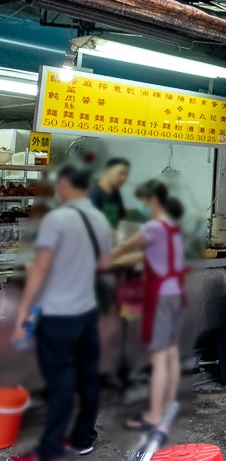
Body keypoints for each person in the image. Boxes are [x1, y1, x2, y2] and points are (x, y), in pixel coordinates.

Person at [13, 164, 111, 461]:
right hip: (88, 312)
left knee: (60, 381)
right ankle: (83, 439)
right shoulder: (100, 220)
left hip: (59, 316)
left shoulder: (57, 219)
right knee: (89, 379)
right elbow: (103, 266)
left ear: (67, 186)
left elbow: (40, 267)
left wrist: (24, 313)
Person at [109, 180, 187, 432]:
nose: (142, 205)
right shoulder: (172, 227)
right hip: (175, 294)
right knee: (172, 352)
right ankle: (168, 404)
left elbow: (125, 247)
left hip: (162, 298)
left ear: (152, 199)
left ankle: (154, 415)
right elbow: (149, 255)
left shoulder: (153, 227)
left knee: (159, 356)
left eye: (143, 200)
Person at [89, 157, 130, 229]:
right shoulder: (92, 192)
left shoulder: (116, 192)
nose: (123, 178)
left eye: (126, 175)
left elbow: (121, 217)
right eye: (120, 173)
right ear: (107, 172)